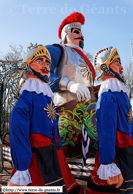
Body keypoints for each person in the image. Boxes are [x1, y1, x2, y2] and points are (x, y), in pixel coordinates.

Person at [7, 45, 84, 194]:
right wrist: (22, 169)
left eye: (48, 63)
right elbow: (18, 133)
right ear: (27, 66)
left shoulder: (47, 97)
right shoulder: (27, 99)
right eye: (40, 61)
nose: (46, 66)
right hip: (36, 160)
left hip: (54, 156)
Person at [46, 12, 98, 179]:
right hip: (66, 110)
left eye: (81, 32)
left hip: (88, 109)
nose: (81, 35)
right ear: (66, 34)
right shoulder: (58, 50)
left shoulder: (84, 59)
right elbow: (40, 73)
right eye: (76, 31)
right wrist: (69, 84)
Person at [86, 46, 133, 194]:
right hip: (116, 155)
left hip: (127, 151)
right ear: (105, 67)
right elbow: (107, 132)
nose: (121, 67)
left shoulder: (120, 94)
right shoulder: (108, 97)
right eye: (116, 62)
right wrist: (107, 163)